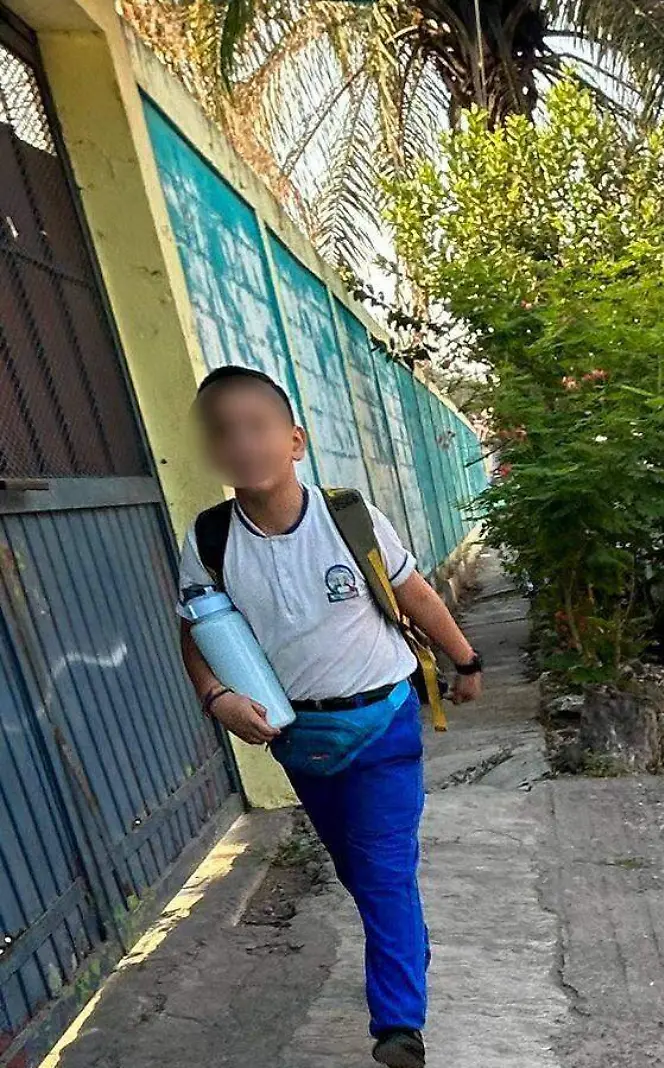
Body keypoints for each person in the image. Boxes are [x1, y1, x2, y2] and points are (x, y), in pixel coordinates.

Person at [177, 366, 483, 1067]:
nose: (242, 443)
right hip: (300, 740)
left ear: (295, 441)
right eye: (224, 433)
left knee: (380, 873)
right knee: (358, 869)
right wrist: (217, 698)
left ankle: (397, 1029)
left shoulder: (349, 517)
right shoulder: (211, 539)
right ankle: (407, 944)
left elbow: (417, 600)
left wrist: (465, 661)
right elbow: (193, 631)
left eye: (257, 427)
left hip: (382, 725)